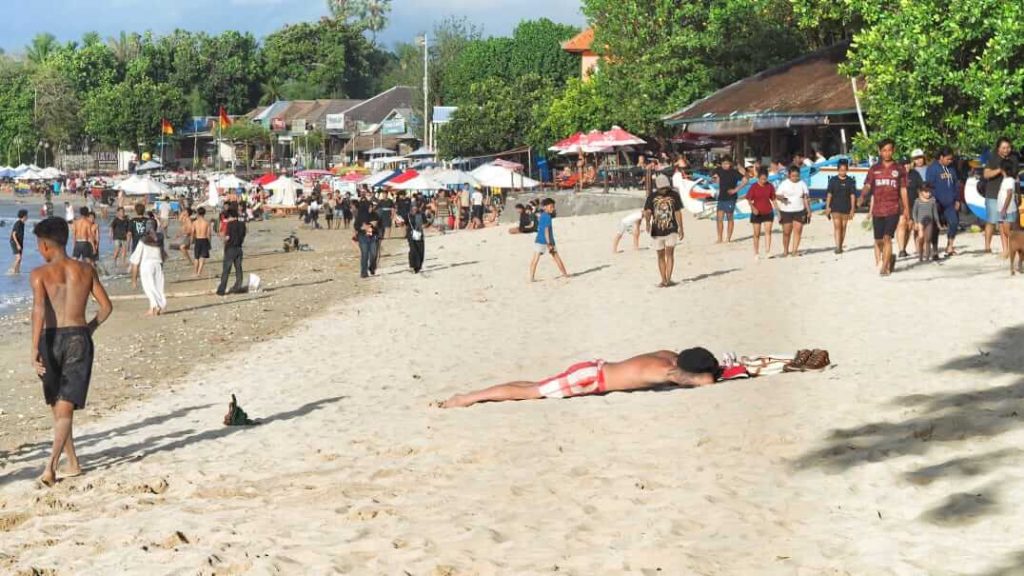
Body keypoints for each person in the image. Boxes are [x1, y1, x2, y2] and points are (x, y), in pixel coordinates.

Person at [29, 217, 113, 486]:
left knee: (59, 406)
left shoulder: (39, 274)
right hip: (78, 337)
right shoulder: (86, 269)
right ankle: (73, 463)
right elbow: (106, 308)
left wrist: (33, 349)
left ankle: (50, 466)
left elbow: (39, 310)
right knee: (62, 407)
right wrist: (89, 328)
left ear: (44, 245)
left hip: (49, 338)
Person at [441, 347, 721, 408]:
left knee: (535, 386)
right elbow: (703, 382)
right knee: (531, 392)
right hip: (591, 380)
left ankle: (471, 396)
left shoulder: (666, 357)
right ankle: (466, 398)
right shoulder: (665, 371)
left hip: (594, 368)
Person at [860, 139, 910, 276]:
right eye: (884, 150)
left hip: (893, 208)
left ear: (893, 150)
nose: (887, 153)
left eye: (889, 150)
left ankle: (885, 268)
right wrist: (862, 196)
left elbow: (903, 190)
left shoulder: (899, 169)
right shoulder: (874, 169)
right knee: (879, 240)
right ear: (879, 151)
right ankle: (890, 258)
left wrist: (907, 210)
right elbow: (868, 185)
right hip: (877, 210)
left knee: (888, 237)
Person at [643, 174, 685, 286]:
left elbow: (677, 212)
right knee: (660, 255)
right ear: (657, 187)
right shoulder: (651, 196)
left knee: (670, 254)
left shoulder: (674, 195)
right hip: (656, 231)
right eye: (662, 188)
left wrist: (681, 228)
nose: (664, 190)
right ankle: (663, 279)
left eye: (666, 187)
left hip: (672, 229)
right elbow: (647, 211)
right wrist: (647, 223)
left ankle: (668, 279)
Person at [983, 137, 1018, 253]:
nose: (1006, 150)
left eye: (1008, 147)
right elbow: (986, 174)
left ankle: (1008, 249)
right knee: (992, 221)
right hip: (993, 194)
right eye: (1003, 148)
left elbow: (1016, 176)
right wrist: (999, 170)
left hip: (1010, 195)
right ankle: (987, 246)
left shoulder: (1014, 158)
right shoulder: (992, 158)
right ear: (998, 149)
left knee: (1008, 223)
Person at [926, 147, 961, 256]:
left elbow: (956, 184)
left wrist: (957, 199)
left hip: (950, 202)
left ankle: (949, 246)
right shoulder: (932, 168)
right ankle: (935, 249)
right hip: (937, 202)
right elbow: (929, 186)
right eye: (948, 159)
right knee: (935, 227)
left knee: (954, 222)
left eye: (951, 159)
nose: (950, 161)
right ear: (941, 157)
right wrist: (932, 200)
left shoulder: (951, 168)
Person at [530, 198, 569, 282]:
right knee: (556, 257)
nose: (553, 208)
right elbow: (546, 231)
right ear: (545, 207)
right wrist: (549, 243)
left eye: (553, 207)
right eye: (551, 207)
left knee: (535, 259)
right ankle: (565, 274)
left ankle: (531, 277)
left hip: (539, 239)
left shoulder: (543, 215)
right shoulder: (547, 217)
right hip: (548, 241)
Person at [776, 166, 811, 257]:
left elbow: (806, 198)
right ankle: (785, 251)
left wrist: (809, 210)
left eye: (797, 176)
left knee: (798, 231)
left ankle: (794, 251)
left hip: (799, 210)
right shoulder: (784, 184)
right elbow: (777, 195)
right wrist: (783, 198)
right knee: (786, 232)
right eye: (793, 176)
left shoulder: (802, 184)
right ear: (789, 175)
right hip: (786, 210)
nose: (795, 178)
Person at [129, 230, 167, 315]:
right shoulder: (159, 239)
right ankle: (158, 306)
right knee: (158, 288)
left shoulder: (143, 241)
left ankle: (154, 307)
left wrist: (134, 280)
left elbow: (135, 261)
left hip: (146, 266)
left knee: (149, 288)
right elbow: (163, 255)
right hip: (158, 265)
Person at [898, 149, 928, 257]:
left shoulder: (915, 174)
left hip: (915, 205)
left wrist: (925, 201)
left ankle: (919, 249)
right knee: (902, 225)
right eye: (903, 164)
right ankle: (902, 250)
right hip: (900, 205)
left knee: (913, 227)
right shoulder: (896, 175)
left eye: (907, 164)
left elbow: (921, 189)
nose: (906, 166)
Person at [825, 159, 858, 254]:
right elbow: (829, 194)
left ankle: (840, 245)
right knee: (837, 227)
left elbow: (852, 196)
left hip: (846, 207)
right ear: (838, 170)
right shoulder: (833, 180)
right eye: (841, 170)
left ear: (847, 170)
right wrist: (827, 207)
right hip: (835, 207)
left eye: (844, 170)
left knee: (843, 227)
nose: (842, 172)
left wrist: (852, 209)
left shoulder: (850, 181)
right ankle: (837, 247)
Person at [712, 157, 746, 243]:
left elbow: (746, 180)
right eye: (723, 163)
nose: (725, 165)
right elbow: (714, 176)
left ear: (730, 164)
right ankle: (719, 238)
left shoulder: (734, 172)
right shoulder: (719, 170)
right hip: (721, 198)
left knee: (729, 218)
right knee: (719, 219)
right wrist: (715, 178)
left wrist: (736, 190)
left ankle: (728, 238)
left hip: (731, 198)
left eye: (727, 163)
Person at [746, 168, 777, 259]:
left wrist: (778, 211)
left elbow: (773, 199)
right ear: (758, 178)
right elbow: (748, 199)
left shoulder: (770, 186)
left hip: (768, 211)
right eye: (762, 179)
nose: (764, 181)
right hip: (757, 212)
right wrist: (753, 208)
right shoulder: (754, 186)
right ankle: (756, 252)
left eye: (765, 179)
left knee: (768, 232)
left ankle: (768, 251)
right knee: (756, 233)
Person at [216, 204, 246, 296]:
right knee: (238, 269)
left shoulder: (230, 225)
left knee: (226, 270)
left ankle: (221, 289)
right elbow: (243, 235)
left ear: (230, 216)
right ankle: (238, 286)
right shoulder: (242, 224)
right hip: (239, 248)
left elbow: (228, 237)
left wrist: (222, 238)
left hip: (230, 249)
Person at [997, 157, 1020, 256]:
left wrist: (1004, 208)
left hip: (1007, 210)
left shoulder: (1009, 180)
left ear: (1003, 169)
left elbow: (1009, 194)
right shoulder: (1006, 179)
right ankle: (1008, 251)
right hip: (1003, 210)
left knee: (1009, 232)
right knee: (1003, 230)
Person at [913, 183, 941, 263]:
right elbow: (914, 213)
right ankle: (921, 255)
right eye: (926, 192)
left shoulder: (932, 200)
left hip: (930, 221)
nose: (928, 193)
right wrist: (915, 222)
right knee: (921, 237)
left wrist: (938, 223)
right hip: (920, 222)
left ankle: (927, 257)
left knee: (928, 239)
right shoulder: (917, 201)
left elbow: (935, 213)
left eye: (929, 192)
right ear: (921, 192)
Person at [354, 199, 380, 278]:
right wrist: (362, 227)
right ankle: (364, 272)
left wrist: (374, 225)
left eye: (372, 207)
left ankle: (372, 267)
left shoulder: (375, 215)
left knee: (374, 254)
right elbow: (356, 226)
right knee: (364, 255)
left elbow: (378, 225)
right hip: (363, 237)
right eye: (369, 207)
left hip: (373, 236)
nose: (371, 209)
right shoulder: (360, 216)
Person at [192, 207, 213, 276]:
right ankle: (199, 272)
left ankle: (195, 272)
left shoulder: (194, 222)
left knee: (196, 257)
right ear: (204, 213)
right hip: (204, 239)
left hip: (197, 239)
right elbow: (209, 234)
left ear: (198, 213)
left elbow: (193, 233)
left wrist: (192, 241)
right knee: (202, 257)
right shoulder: (207, 222)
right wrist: (209, 242)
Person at [406, 201, 426, 273]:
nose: (414, 209)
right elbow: (404, 224)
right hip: (411, 234)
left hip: (420, 234)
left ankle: (419, 266)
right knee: (413, 250)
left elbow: (425, 223)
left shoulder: (421, 214)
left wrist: (425, 225)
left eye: (416, 207)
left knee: (421, 250)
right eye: (413, 207)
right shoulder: (408, 215)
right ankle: (412, 266)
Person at [9, 209, 28, 274]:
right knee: (18, 258)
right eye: (26, 216)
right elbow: (13, 234)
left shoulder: (22, 224)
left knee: (20, 259)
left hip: (20, 242)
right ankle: (12, 271)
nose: (27, 217)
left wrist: (20, 244)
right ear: (23, 216)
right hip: (14, 242)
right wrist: (17, 244)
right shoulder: (18, 223)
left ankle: (17, 271)